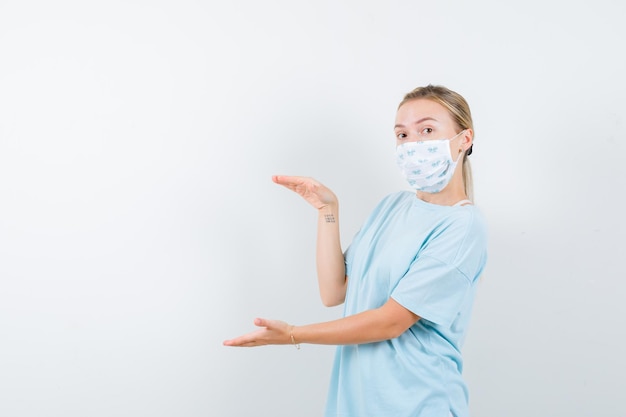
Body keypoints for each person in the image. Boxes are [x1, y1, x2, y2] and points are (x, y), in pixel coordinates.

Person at [223, 84, 488, 417]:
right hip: (358, 400)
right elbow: (335, 291)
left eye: (428, 130)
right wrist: (327, 211)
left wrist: (293, 334)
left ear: (464, 139)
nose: (413, 143)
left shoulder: (462, 226)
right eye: (402, 135)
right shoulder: (392, 207)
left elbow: (391, 321)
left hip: (416, 402)